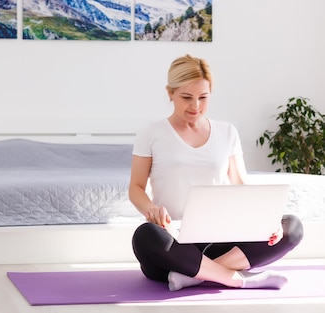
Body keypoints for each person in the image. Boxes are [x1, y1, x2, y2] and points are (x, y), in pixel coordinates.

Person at [129, 54, 303, 291]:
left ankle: (193, 276)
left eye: (203, 97)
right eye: (186, 97)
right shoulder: (151, 132)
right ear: (170, 93)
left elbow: (241, 184)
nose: (196, 106)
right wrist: (151, 210)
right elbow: (136, 188)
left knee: (291, 227)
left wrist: (266, 220)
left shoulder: (227, 132)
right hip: (173, 244)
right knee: (144, 236)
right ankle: (238, 279)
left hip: (219, 240)